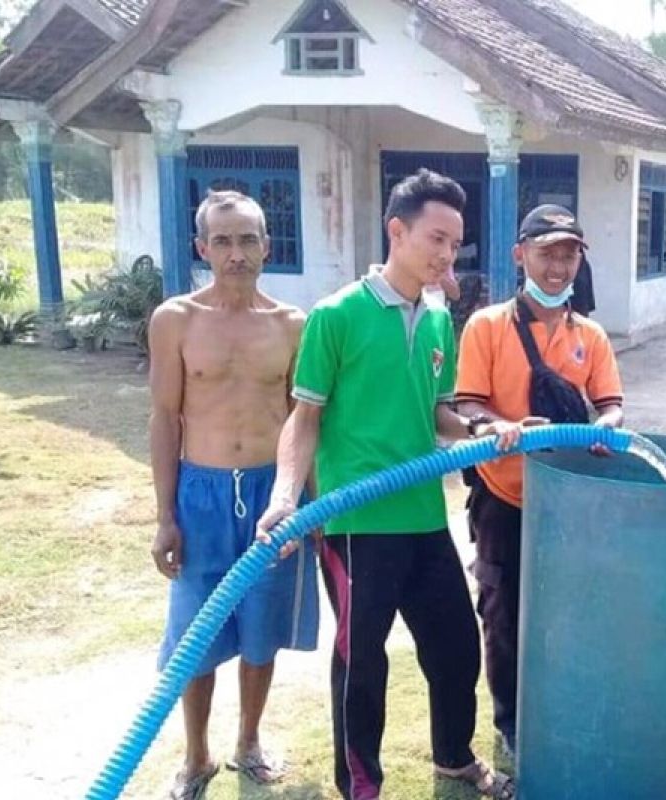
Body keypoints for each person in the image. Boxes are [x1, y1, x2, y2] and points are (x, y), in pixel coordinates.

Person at [256, 169, 524, 800]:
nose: (445, 255)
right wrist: (284, 498)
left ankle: (454, 758)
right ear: (396, 231)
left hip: (422, 514)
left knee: (456, 648)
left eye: (455, 244)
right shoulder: (337, 314)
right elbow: (305, 417)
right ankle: (361, 786)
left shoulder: (436, 319)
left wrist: (480, 429)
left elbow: (438, 412)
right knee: (362, 664)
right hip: (356, 524)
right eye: (435, 238)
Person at [149, 190, 319, 799]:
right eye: (222, 241)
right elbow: (165, 419)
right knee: (194, 635)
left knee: (260, 628)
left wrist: (309, 503)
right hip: (201, 496)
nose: (236, 252)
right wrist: (165, 516)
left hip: (272, 496)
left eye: (248, 239)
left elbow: (304, 419)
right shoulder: (176, 320)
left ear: (267, 246)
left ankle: (249, 740)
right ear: (202, 248)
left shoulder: (293, 325)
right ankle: (196, 755)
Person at [456, 204, 625, 756]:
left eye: (569, 253)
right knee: (504, 609)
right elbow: (468, 400)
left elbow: (612, 404)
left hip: (571, 497)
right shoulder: (487, 326)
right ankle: (511, 723)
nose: (558, 266)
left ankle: (557, 705)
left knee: (566, 605)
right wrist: (498, 426)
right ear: (520, 255)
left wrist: (605, 427)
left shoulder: (591, 335)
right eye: (546, 252)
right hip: (503, 494)